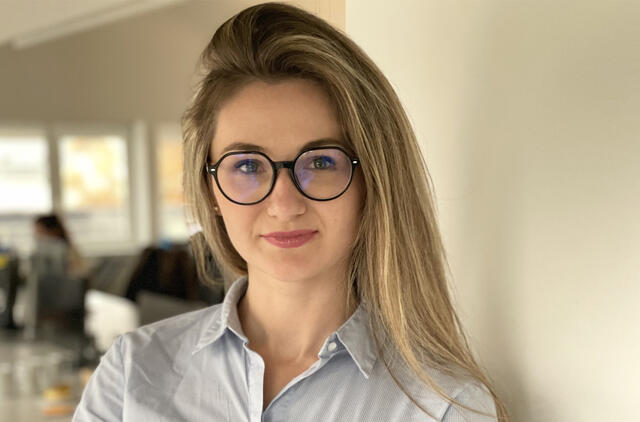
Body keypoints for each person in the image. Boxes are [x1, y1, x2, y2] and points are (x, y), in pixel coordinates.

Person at [73, 3, 508, 421]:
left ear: (373, 183)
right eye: (247, 166)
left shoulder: (445, 406)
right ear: (211, 191)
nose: (284, 205)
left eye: (320, 162)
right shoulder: (131, 375)